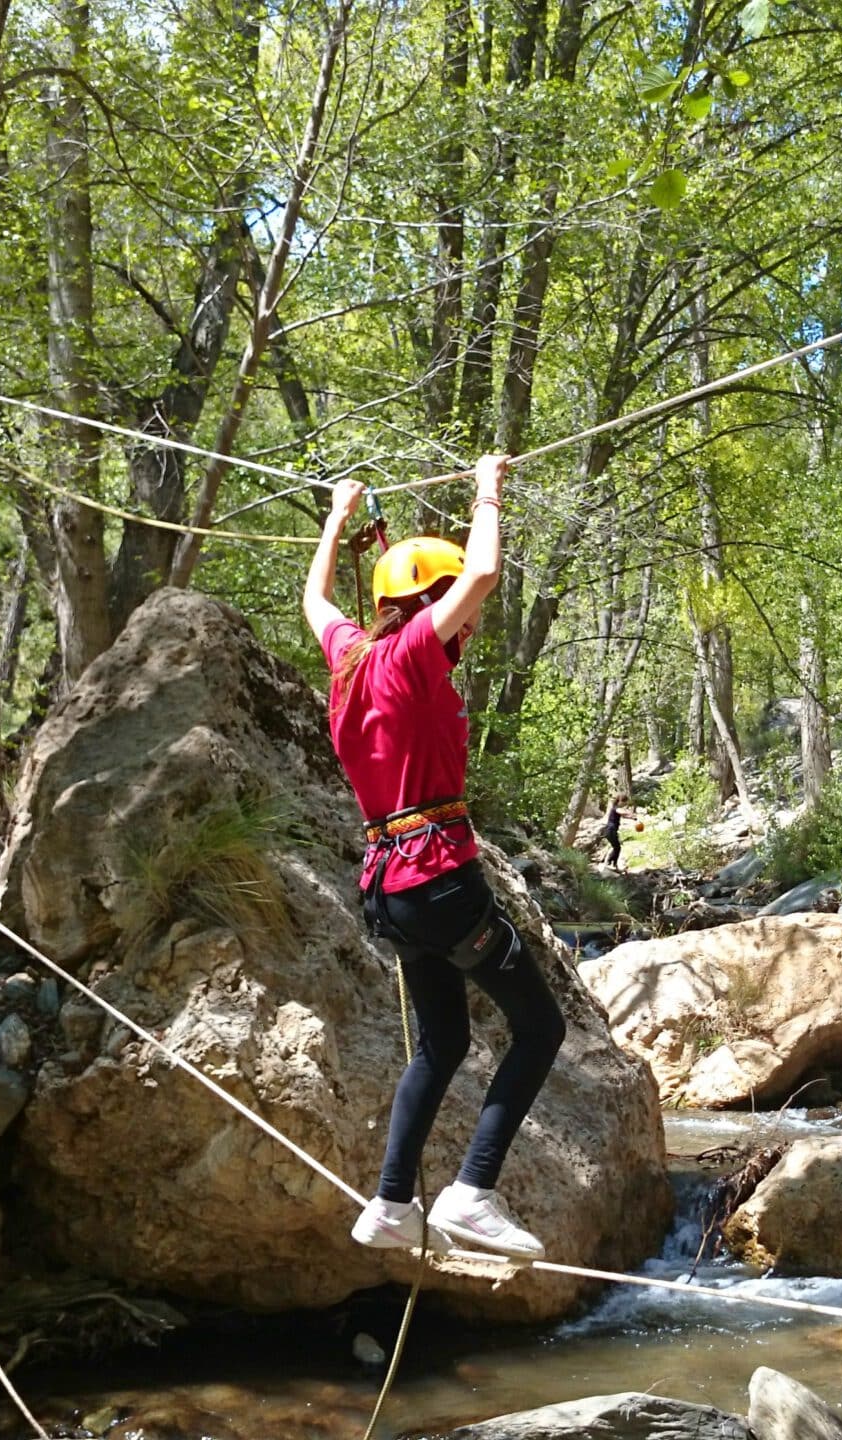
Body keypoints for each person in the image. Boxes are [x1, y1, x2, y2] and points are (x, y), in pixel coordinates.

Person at [303, 454, 561, 1261]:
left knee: (442, 1044)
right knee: (540, 1028)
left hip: (390, 894)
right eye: (457, 616)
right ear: (422, 606)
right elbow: (481, 571)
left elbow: (315, 600)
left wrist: (338, 516)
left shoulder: (347, 659)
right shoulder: (415, 652)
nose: (469, 627)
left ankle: (389, 1206)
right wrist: (488, 486)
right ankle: (471, 1193)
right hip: (439, 882)